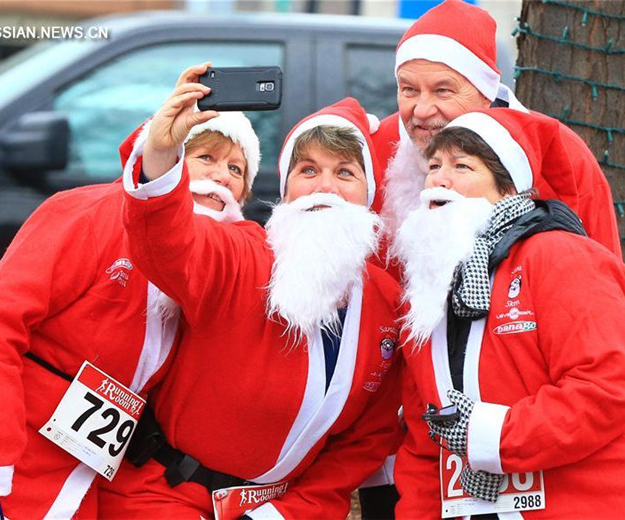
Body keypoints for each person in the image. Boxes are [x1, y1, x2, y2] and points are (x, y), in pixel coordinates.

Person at [0, 69, 261, 518]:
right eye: (206, 157)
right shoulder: (90, 213)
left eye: (237, 169)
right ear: (168, 153)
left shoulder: (211, 274)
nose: (223, 177)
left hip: (71, 478)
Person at [100, 62, 403, 519]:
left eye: (345, 173)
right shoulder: (242, 251)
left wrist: (292, 511)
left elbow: (366, 441)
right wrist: (162, 156)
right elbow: (169, 246)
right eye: (307, 170)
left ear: (368, 193)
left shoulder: (385, 303)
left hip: (278, 510)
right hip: (164, 497)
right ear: (285, 189)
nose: (325, 187)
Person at [392, 108, 625, 519]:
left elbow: (604, 387)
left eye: (462, 166)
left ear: (508, 189)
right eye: (435, 166)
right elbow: (428, 440)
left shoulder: (561, 256)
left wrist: (489, 434)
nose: (440, 178)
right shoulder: (424, 294)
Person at [372, 0, 621, 258]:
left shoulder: (558, 153)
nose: (422, 110)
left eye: (442, 90)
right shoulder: (377, 147)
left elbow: (600, 275)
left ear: (486, 92)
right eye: (409, 89)